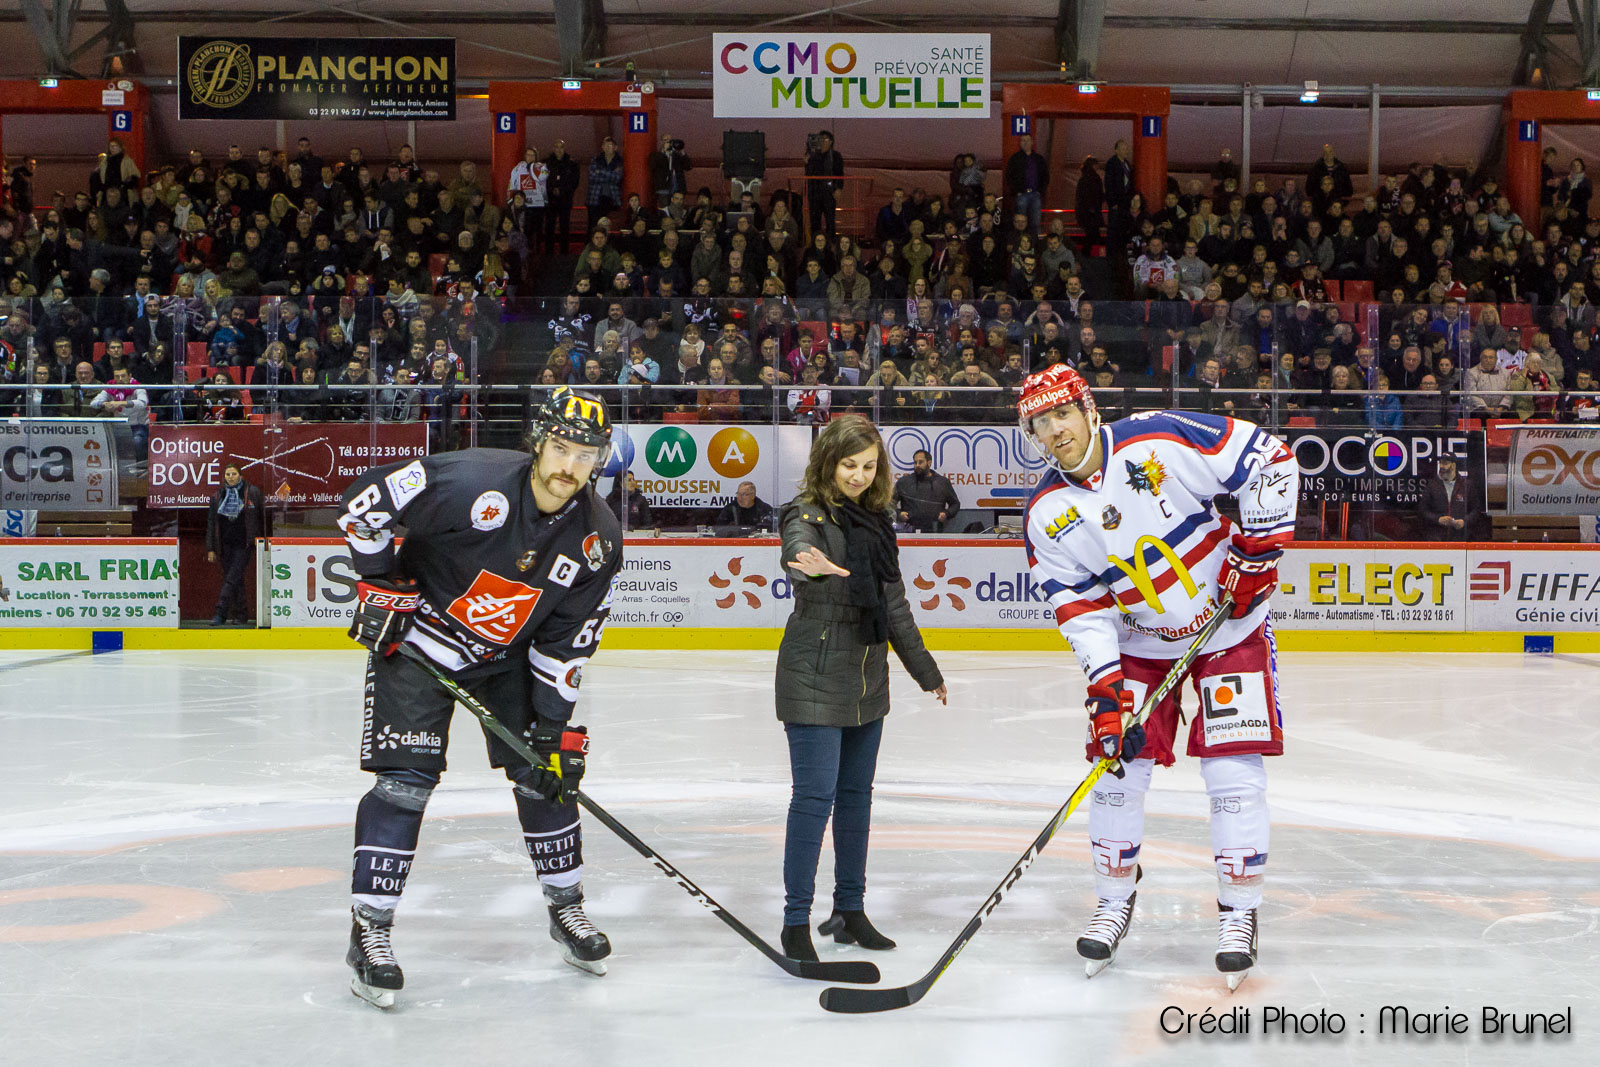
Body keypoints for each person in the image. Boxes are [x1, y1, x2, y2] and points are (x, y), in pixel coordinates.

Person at [335, 387, 622, 1008]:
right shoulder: (472, 480)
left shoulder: (598, 536)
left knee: (545, 774)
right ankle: (371, 931)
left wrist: (554, 729)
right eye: (562, 447)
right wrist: (380, 582)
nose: (569, 465)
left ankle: (566, 908)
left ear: (600, 461)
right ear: (539, 442)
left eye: (586, 453)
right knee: (403, 783)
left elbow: (566, 640)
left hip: (506, 659)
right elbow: (363, 504)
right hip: (417, 647)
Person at [1017, 364, 1298, 989]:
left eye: (1062, 412)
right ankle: (1114, 899)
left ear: (1088, 408)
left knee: (1232, 773)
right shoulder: (1045, 513)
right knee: (1116, 770)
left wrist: (1258, 552)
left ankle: (1239, 912)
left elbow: (1272, 460)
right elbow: (1081, 609)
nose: (1054, 429)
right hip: (1138, 642)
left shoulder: (1157, 438)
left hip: (1230, 626)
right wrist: (1105, 687)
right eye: (1040, 422)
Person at [775, 413, 947, 963]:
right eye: (849, 464)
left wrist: (926, 672)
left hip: (868, 680)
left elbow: (894, 606)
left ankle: (849, 910)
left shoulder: (877, 523)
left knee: (855, 801)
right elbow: (797, 552)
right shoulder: (805, 514)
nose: (858, 475)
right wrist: (812, 566)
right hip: (816, 676)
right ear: (828, 461)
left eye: (869, 466)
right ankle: (794, 921)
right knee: (814, 800)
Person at [205, 465, 264, 626]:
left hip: (244, 544)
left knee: (231, 579)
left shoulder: (252, 493)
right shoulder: (218, 496)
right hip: (225, 545)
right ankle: (241, 615)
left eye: (234, 474)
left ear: (240, 475)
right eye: (227, 474)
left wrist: (260, 542)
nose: (230, 477)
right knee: (235, 580)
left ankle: (220, 612)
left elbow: (261, 517)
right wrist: (211, 548)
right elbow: (211, 523)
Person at [1416, 454, 1483, 541]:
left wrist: (1464, 521)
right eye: (1440, 463)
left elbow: (1476, 510)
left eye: (1445, 464)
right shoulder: (1432, 485)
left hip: (1461, 538)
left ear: (1454, 465)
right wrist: (1438, 519)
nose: (1441, 466)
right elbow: (1423, 510)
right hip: (1436, 538)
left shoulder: (1467, 485)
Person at [1005, 134, 1049, 235]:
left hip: (1035, 194)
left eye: (1027, 140)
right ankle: (1019, 243)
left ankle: (1036, 245)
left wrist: (1040, 191)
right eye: (1023, 140)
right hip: (1021, 194)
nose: (1025, 143)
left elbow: (1045, 176)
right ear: (1020, 143)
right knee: (1019, 222)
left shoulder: (1039, 159)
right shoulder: (1015, 158)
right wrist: (1017, 191)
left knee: (1036, 222)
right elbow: (1009, 176)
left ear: (1032, 142)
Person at [804, 131, 844, 239]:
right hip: (814, 192)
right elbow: (808, 174)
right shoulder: (813, 155)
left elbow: (840, 173)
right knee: (815, 220)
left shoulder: (835, 156)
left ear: (831, 142)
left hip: (829, 192)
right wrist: (806, 163)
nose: (822, 141)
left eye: (825, 139)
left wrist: (839, 188)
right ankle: (814, 243)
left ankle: (830, 244)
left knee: (830, 220)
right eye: (821, 139)